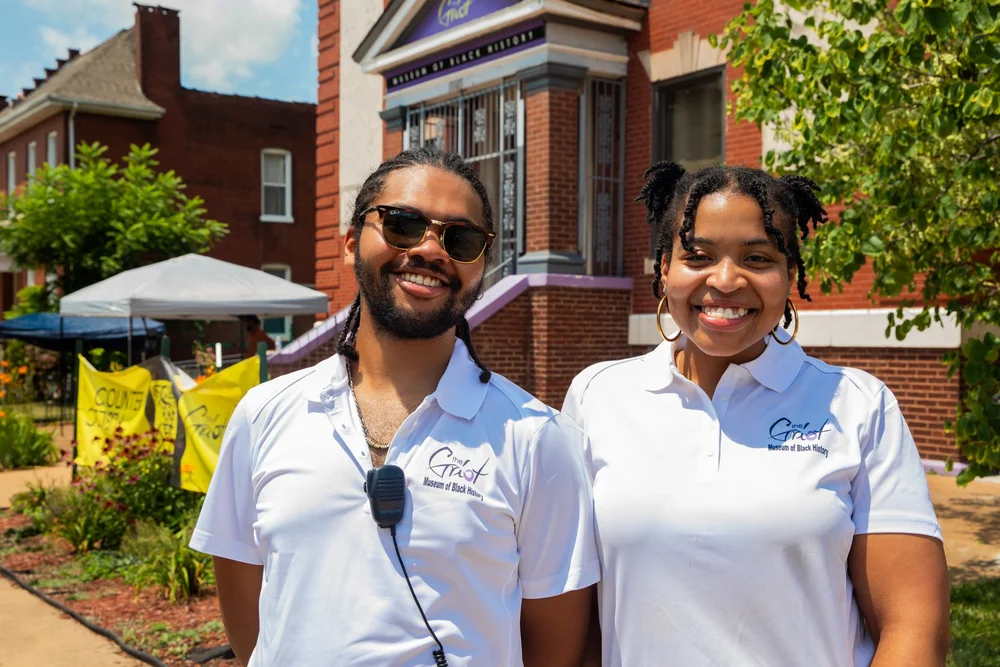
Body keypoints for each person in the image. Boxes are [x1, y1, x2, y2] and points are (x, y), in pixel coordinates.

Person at [191, 147, 598, 667]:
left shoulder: (536, 437)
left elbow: (554, 645)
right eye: (402, 224)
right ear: (349, 242)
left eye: (461, 238)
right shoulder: (264, 414)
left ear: (481, 266)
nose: (430, 249)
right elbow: (251, 619)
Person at [563, 162, 950, 667]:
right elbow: (571, 612)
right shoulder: (597, 395)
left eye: (757, 257)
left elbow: (913, 624)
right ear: (664, 269)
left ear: (789, 274)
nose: (724, 280)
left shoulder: (858, 405)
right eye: (697, 256)